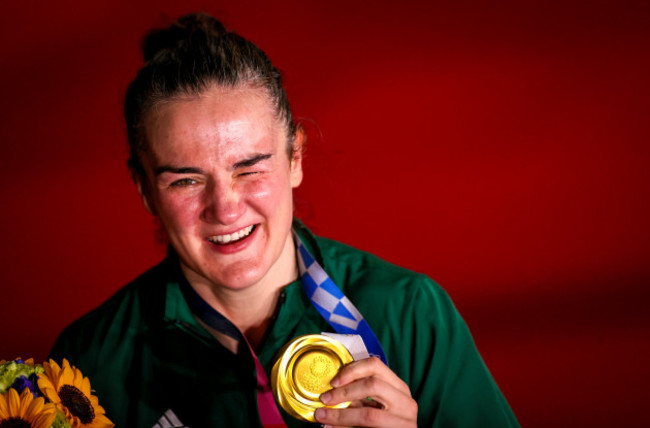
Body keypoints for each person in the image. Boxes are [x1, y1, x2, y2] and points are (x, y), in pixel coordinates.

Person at [50, 12, 519, 428]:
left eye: (250, 168)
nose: (226, 208)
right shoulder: (88, 365)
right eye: (186, 181)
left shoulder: (410, 314)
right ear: (145, 189)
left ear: (295, 157)